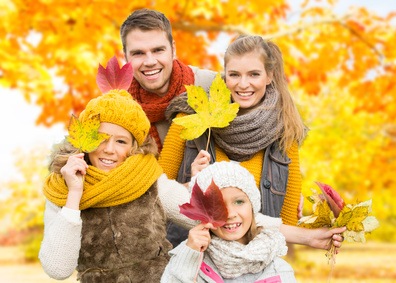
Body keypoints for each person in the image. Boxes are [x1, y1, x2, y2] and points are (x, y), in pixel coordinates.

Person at [160, 35, 346, 248]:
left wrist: (324, 227)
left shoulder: (284, 133)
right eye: (234, 75)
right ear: (224, 76)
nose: (243, 84)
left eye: (254, 74)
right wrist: (189, 185)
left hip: (254, 262)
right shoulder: (191, 118)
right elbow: (156, 194)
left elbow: (286, 222)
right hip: (194, 256)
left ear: (269, 76)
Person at [38, 88, 196, 282]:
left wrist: (199, 181)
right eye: (101, 138)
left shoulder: (149, 181)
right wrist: (74, 194)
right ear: (84, 140)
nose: (109, 149)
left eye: (121, 141)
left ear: (134, 147)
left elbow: (203, 219)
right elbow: (58, 268)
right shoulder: (60, 189)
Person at [161, 161, 297, 282]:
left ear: (252, 206)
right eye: (218, 205)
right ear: (204, 213)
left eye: (239, 202)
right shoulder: (188, 258)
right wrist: (189, 256)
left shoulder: (279, 270)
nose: (230, 214)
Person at [120, 8, 216, 153]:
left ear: (173, 49)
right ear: (126, 57)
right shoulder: (121, 109)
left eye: (158, 50)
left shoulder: (212, 85)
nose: (150, 61)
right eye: (138, 53)